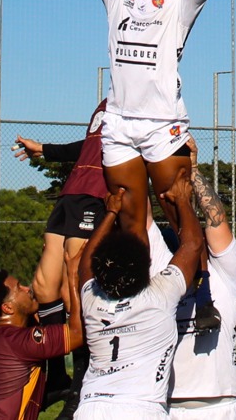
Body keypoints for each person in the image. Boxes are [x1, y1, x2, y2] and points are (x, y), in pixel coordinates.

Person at [83, 0, 221, 331]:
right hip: (120, 126)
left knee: (179, 206)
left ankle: (202, 295)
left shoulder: (179, 6)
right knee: (128, 218)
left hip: (164, 125)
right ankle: (134, 304)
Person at [75, 169, 203, 419]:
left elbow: (85, 264)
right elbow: (193, 244)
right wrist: (183, 201)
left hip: (91, 406)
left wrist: (111, 213)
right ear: (145, 265)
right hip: (139, 407)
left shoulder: (92, 299)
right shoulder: (158, 296)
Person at [13, 99, 108, 415]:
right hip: (71, 192)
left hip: (98, 196)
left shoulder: (145, 102)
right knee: (42, 287)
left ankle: (81, 388)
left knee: (73, 291)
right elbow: (89, 147)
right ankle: (57, 377)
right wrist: (44, 150)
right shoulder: (107, 103)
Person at [149, 137, 236, 420]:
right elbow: (142, 218)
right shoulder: (163, 275)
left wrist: (192, 170)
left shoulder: (225, 273)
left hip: (220, 405)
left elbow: (216, 219)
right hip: (169, 404)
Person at [0, 246, 84, 420]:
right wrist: (73, 277)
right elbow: (78, 333)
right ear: (7, 307)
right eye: (19, 288)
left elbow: (36, 305)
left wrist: (50, 259)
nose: (26, 289)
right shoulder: (20, 342)